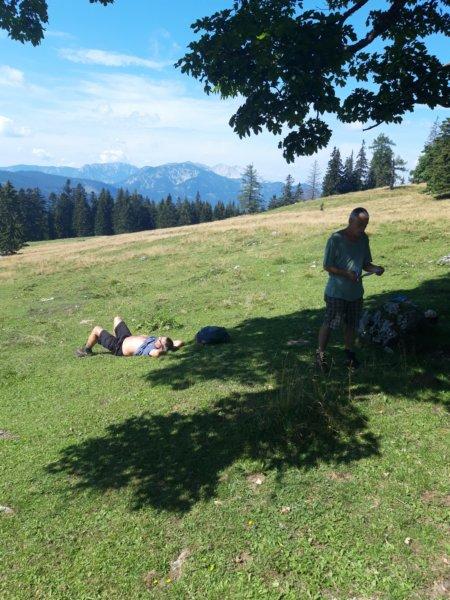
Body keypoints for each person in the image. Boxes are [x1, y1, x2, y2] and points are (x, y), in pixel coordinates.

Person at [316, 207, 384, 371]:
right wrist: (346, 274)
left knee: (351, 324)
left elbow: (365, 263)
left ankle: (349, 355)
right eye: (359, 225)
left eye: (365, 225)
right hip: (337, 292)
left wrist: (376, 269)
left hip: (355, 293)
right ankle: (320, 355)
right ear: (350, 221)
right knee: (330, 323)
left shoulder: (363, 239)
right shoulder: (336, 239)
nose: (362, 229)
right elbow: (327, 266)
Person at [75, 316, 183, 358]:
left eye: (160, 340)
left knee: (96, 329)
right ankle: (110, 338)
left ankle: (86, 350)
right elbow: (179, 342)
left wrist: (164, 351)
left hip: (118, 347)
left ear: (161, 347)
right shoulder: (156, 342)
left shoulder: (151, 350)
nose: (158, 338)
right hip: (125, 337)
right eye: (160, 337)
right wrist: (173, 346)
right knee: (117, 318)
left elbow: (157, 354)